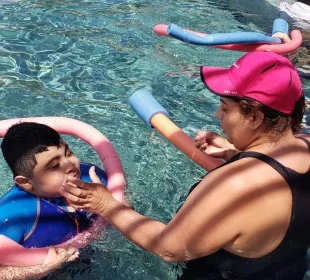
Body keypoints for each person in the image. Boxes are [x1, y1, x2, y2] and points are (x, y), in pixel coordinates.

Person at [61, 51, 309, 280]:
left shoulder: (232, 185)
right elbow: (277, 181)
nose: (217, 115)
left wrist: (105, 204)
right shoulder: (305, 144)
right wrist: (235, 154)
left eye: (224, 107)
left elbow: (169, 249)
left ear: (254, 117)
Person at [0, 122, 106, 278]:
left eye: (68, 153)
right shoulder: (15, 216)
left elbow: (123, 199)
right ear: (26, 183)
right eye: (54, 166)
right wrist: (44, 268)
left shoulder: (90, 176)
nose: (71, 166)